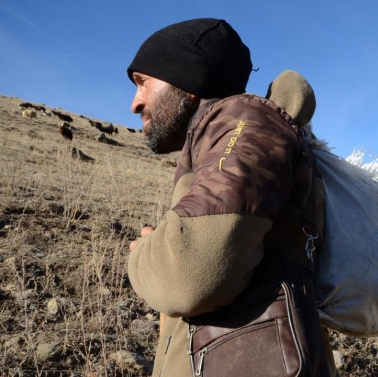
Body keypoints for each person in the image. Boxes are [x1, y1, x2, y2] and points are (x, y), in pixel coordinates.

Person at [126, 18, 334, 376]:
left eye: (142, 82)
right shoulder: (213, 140)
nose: (135, 103)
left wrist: (144, 251)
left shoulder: (245, 120)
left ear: (186, 78)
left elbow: (187, 278)